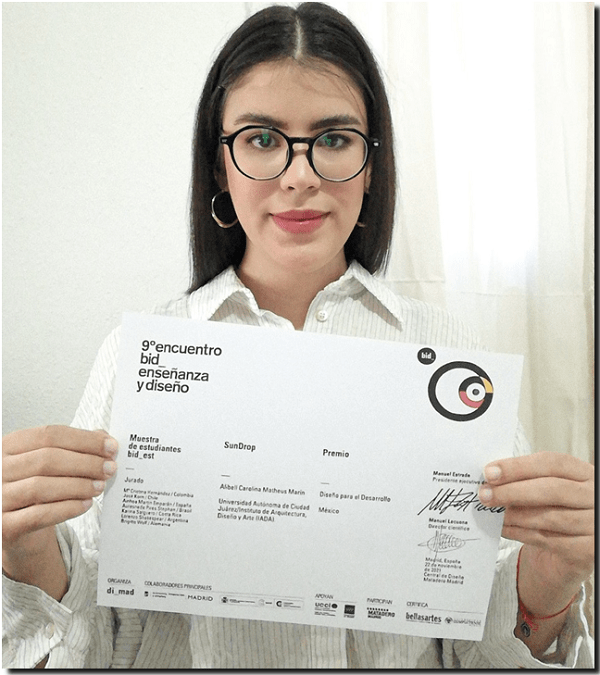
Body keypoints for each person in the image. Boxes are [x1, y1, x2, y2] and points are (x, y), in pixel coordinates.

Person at [2, 3, 593, 669]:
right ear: (219, 164)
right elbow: (99, 641)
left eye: (334, 139)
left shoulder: (450, 355)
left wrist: (552, 576)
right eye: (262, 139)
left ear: (371, 165)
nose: (300, 175)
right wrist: (26, 550)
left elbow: (478, 649)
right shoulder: (141, 354)